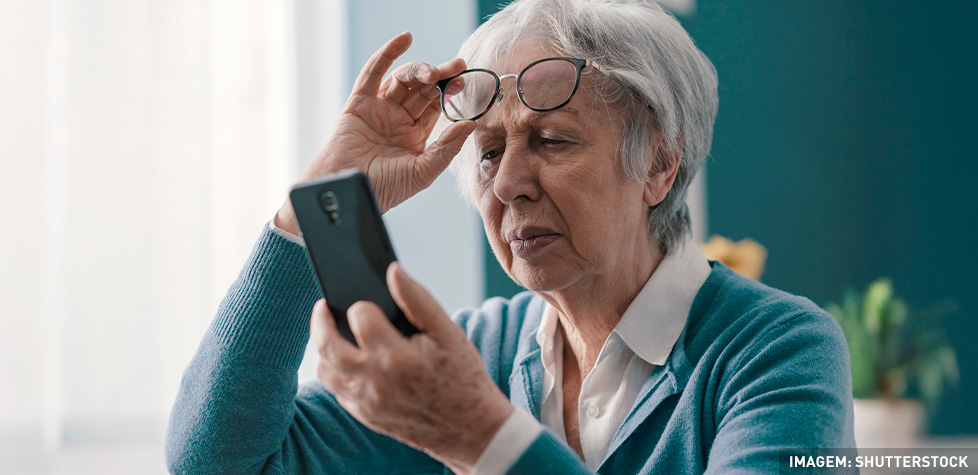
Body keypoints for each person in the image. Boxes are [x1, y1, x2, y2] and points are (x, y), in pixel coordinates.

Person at [166, 0, 855, 473]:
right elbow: (218, 461)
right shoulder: (473, 354)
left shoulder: (778, 352)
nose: (506, 185)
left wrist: (475, 432)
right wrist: (318, 204)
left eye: (551, 140)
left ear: (658, 163)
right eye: (489, 150)